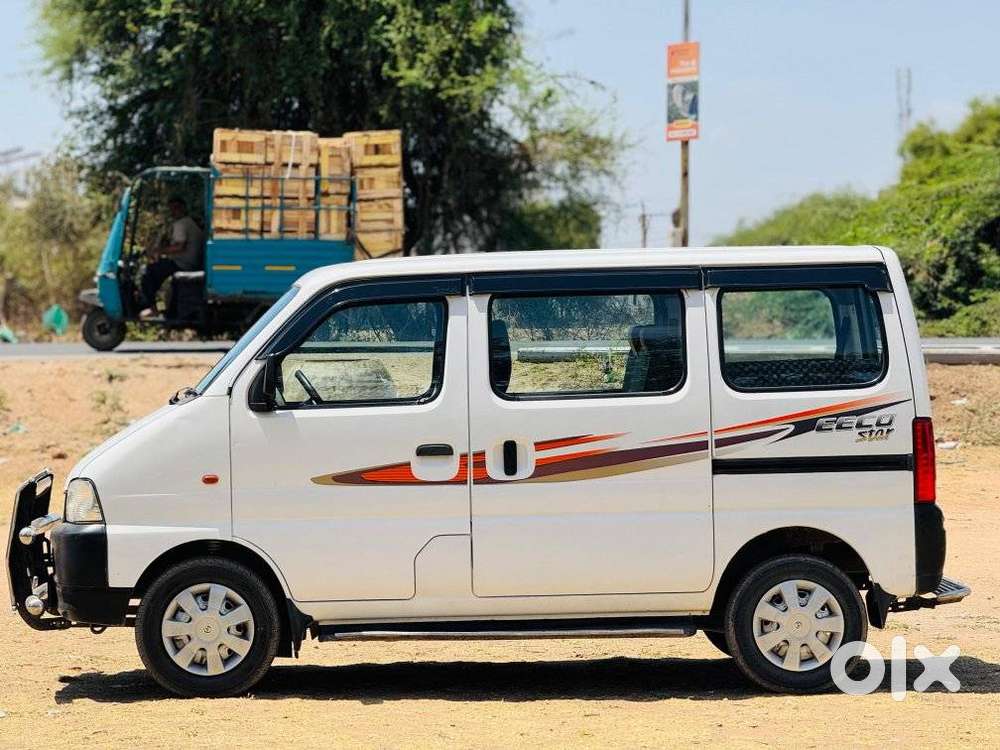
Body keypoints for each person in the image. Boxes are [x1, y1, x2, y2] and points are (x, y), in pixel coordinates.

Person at [139, 196, 204, 318]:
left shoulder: (181, 224)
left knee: (148, 273)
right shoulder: (190, 222)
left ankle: (153, 308)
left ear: (183, 208)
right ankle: (168, 311)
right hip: (190, 262)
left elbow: (179, 247)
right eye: (172, 209)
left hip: (183, 264)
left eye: (177, 208)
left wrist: (158, 251)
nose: (174, 211)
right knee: (159, 269)